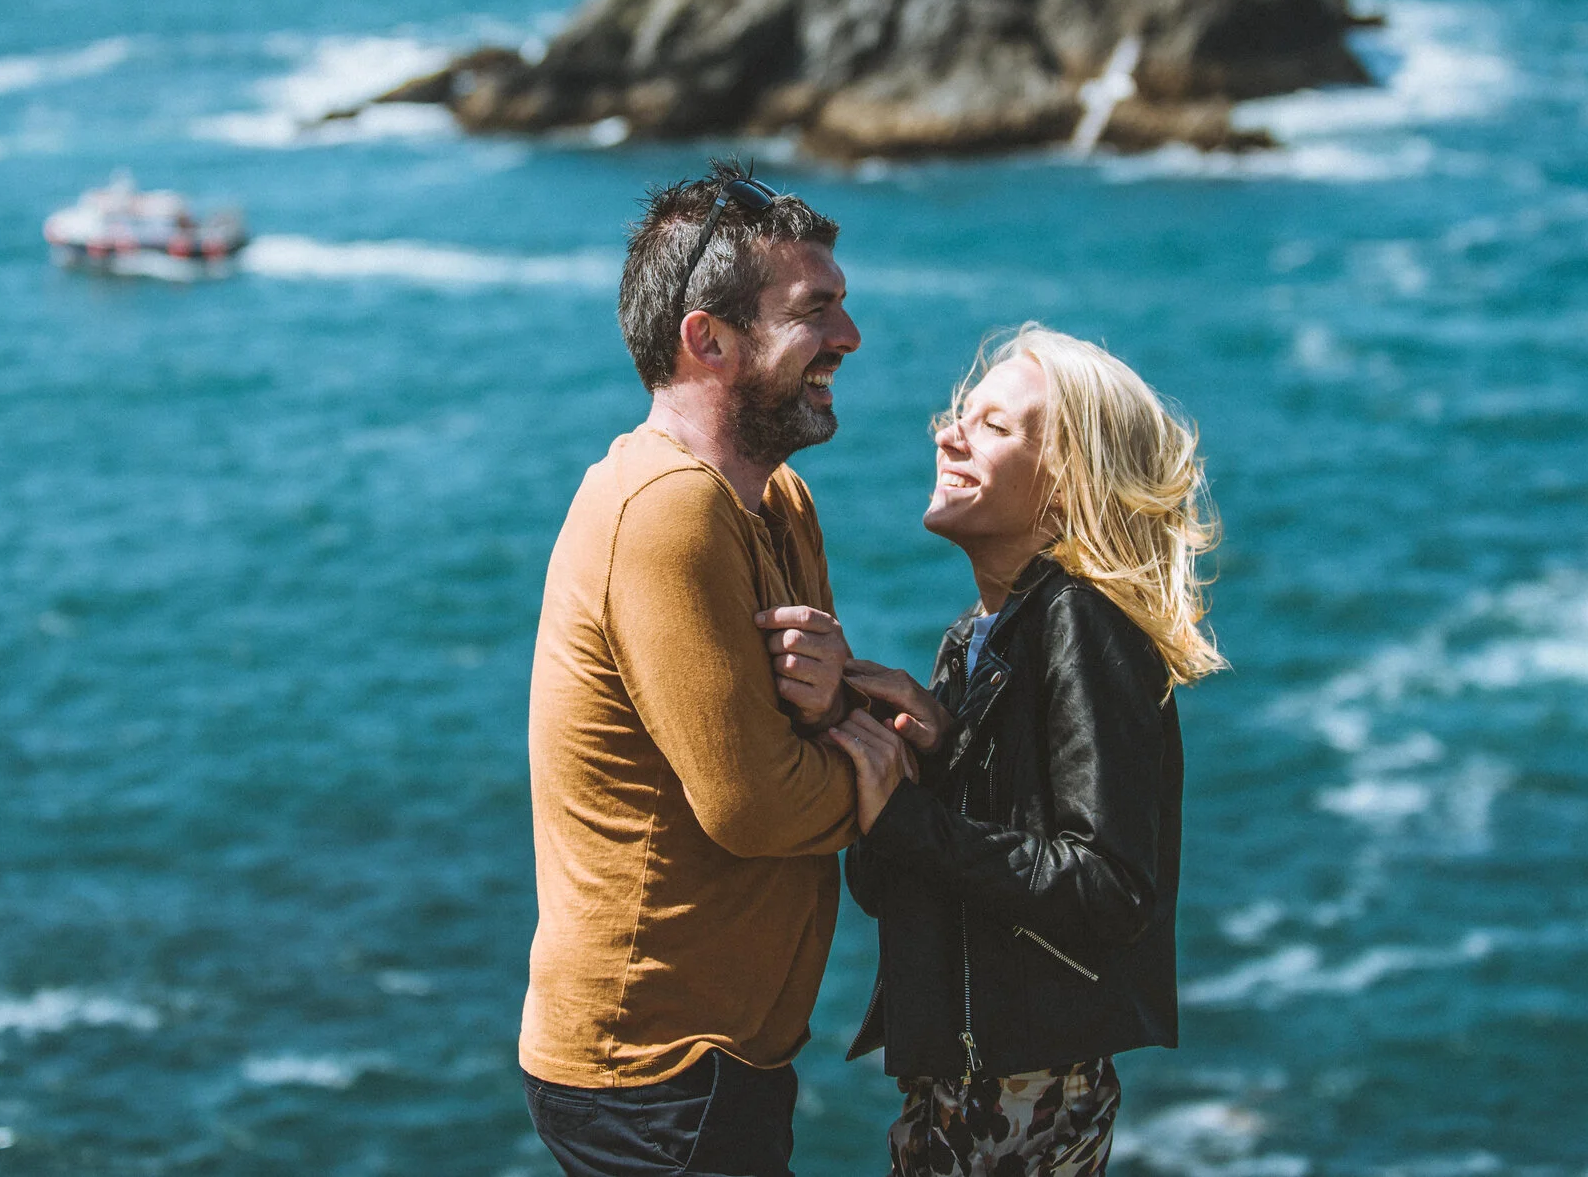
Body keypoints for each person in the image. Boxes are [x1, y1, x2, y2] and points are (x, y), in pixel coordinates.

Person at [521, 161, 868, 1177]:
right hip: (654, 1071)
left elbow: (808, 722)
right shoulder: (666, 510)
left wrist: (841, 700)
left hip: (725, 1057)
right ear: (706, 338)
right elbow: (757, 803)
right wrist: (891, 758)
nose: (848, 338)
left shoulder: (778, 502)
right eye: (816, 311)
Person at [815, 324, 1223, 1177]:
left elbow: (1111, 886)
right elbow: (886, 882)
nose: (947, 431)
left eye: (994, 426)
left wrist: (908, 808)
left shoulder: (1086, 622)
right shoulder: (971, 642)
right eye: (961, 413)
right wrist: (926, 760)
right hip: (961, 1086)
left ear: (1069, 481)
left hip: (1022, 1090)